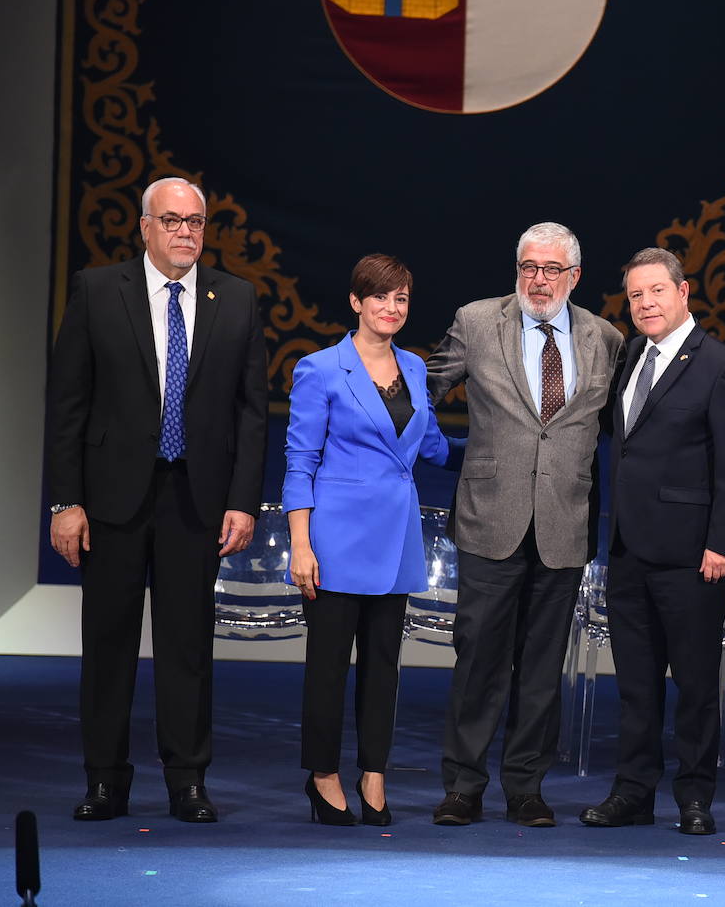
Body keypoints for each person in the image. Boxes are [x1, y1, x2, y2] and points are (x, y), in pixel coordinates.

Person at [46, 176, 267, 823]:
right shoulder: (96, 291)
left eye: (194, 222)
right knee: (108, 643)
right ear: (144, 227)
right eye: (171, 221)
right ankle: (106, 780)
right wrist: (66, 500)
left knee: (188, 646)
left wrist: (243, 500)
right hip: (111, 499)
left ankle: (187, 781)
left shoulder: (238, 299)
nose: (184, 232)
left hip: (195, 501)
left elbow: (251, 413)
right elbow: (67, 407)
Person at [426, 222, 624, 827]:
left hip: (565, 522)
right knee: (479, 660)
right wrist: (443, 453)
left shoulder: (606, 338)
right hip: (491, 518)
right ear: (517, 269)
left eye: (551, 270)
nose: (539, 280)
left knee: (541, 670)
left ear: (575, 277)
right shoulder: (478, 321)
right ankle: (463, 786)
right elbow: (420, 389)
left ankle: (526, 788)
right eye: (529, 267)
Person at [578, 248, 725, 836]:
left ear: (684, 292)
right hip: (629, 551)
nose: (645, 303)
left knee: (697, 684)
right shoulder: (629, 356)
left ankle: (695, 796)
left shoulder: (721, 366)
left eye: (656, 291)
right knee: (635, 684)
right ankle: (633, 792)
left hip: (692, 555)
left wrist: (722, 544)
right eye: (634, 296)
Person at [284, 255, 464, 826]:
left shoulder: (413, 367)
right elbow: (299, 461)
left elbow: (431, 445)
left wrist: (499, 449)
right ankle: (323, 776)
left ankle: (374, 772)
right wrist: (301, 544)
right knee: (329, 666)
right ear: (357, 302)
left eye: (402, 299)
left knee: (384, 667)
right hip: (335, 539)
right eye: (380, 297)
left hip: (396, 538)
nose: (392, 308)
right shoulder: (319, 369)